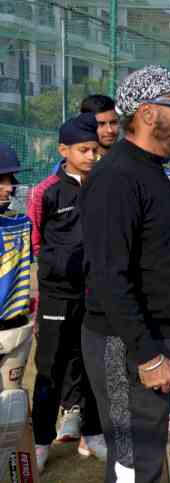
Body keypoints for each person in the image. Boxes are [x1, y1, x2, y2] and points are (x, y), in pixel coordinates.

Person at [79, 65, 170, 483]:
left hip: (155, 335)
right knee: (133, 463)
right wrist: (148, 355)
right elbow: (109, 277)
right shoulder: (116, 176)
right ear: (148, 113)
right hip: (126, 344)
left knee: (148, 458)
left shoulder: (152, 170)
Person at [28, 113, 106, 472]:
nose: (91, 156)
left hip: (95, 294)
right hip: (57, 296)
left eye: (94, 149)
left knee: (93, 365)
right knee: (50, 368)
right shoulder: (46, 191)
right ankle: (41, 440)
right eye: (83, 150)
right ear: (64, 150)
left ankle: (92, 434)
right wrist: (58, 267)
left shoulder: (103, 185)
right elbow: (35, 239)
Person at [0, 145, 36, 475]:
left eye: (8, 179)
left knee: (11, 408)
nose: (6, 187)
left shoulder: (20, 223)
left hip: (16, 327)